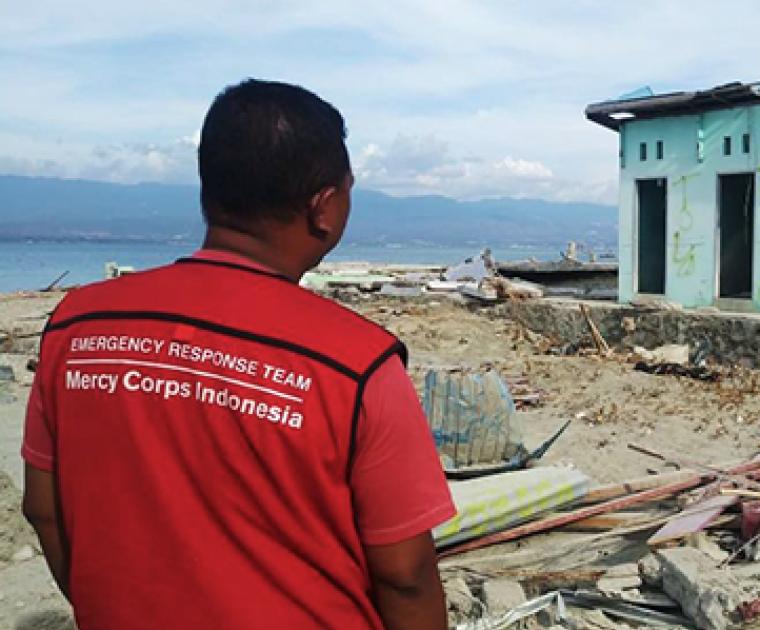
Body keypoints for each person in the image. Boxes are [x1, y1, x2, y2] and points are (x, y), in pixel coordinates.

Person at [21, 79, 455, 629]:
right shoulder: (358, 365)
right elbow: (406, 575)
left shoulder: (77, 325)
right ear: (324, 207)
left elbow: (43, 509)